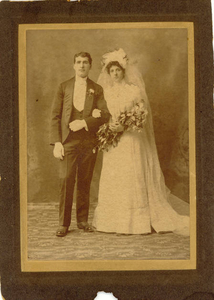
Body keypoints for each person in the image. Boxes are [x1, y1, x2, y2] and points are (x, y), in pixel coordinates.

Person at [92, 48, 189, 236]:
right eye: (111, 71)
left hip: (131, 140)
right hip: (114, 141)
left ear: (124, 71)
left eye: (118, 70)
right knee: (115, 176)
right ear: (108, 74)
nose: (115, 74)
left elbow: (142, 116)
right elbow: (102, 114)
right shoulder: (105, 93)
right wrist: (110, 124)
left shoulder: (134, 91)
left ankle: (137, 222)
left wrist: (125, 126)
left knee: (131, 174)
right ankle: (112, 222)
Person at [50, 52, 110, 237]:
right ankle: (63, 223)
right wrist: (57, 142)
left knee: (85, 181)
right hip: (68, 142)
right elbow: (55, 116)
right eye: (78, 62)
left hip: (88, 141)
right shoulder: (64, 87)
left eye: (85, 62)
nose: (82, 65)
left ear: (90, 66)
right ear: (73, 65)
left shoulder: (97, 88)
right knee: (67, 179)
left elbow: (105, 115)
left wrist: (85, 123)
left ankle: (82, 220)